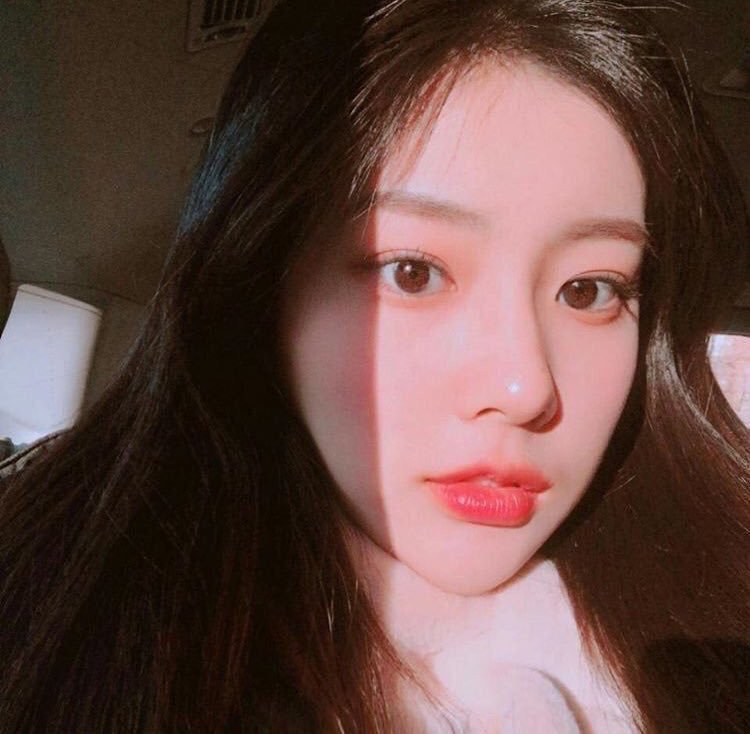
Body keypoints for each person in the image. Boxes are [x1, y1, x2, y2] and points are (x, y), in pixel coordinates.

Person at [1, 0, 748, 731]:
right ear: (261, 291)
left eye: (589, 290)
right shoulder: (53, 622)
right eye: (412, 273)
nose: (524, 389)